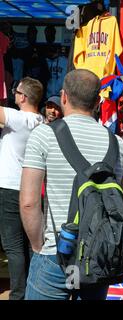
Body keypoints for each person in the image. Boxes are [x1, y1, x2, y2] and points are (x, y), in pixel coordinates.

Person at [20, 69, 123, 300]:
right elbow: (119, 202)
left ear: (64, 97)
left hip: (56, 253)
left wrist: (40, 247)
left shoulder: (44, 135)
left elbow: (29, 203)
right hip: (97, 257)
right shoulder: (118, 145)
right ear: (98, 102)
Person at [0, 77, 44, 300]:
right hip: (32, 188)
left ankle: (18, 295)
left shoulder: (18, 119)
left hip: (10, 188)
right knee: (31, 244)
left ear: (23, 97)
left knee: (14, 245)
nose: (13, 95)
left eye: (16, 92)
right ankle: (31, 290)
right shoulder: (41, 120)